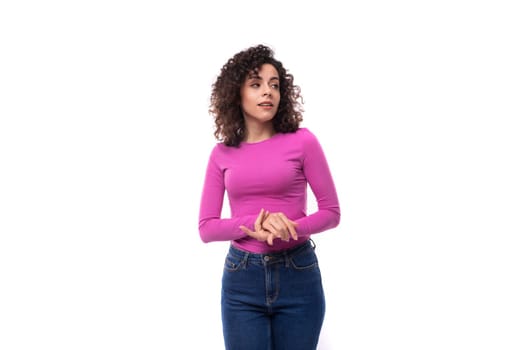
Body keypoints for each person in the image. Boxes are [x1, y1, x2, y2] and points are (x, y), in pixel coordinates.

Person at [198, 44, 341, 350]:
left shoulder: (303, 141)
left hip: (298, 273)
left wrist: (291, 226)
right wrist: (253, 224)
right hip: (241, 279)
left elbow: (331, 212)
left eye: (274, 85)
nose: (268, 92)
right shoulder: (221, 154)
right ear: (237, 94)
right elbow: (207, 227)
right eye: (256, 84)